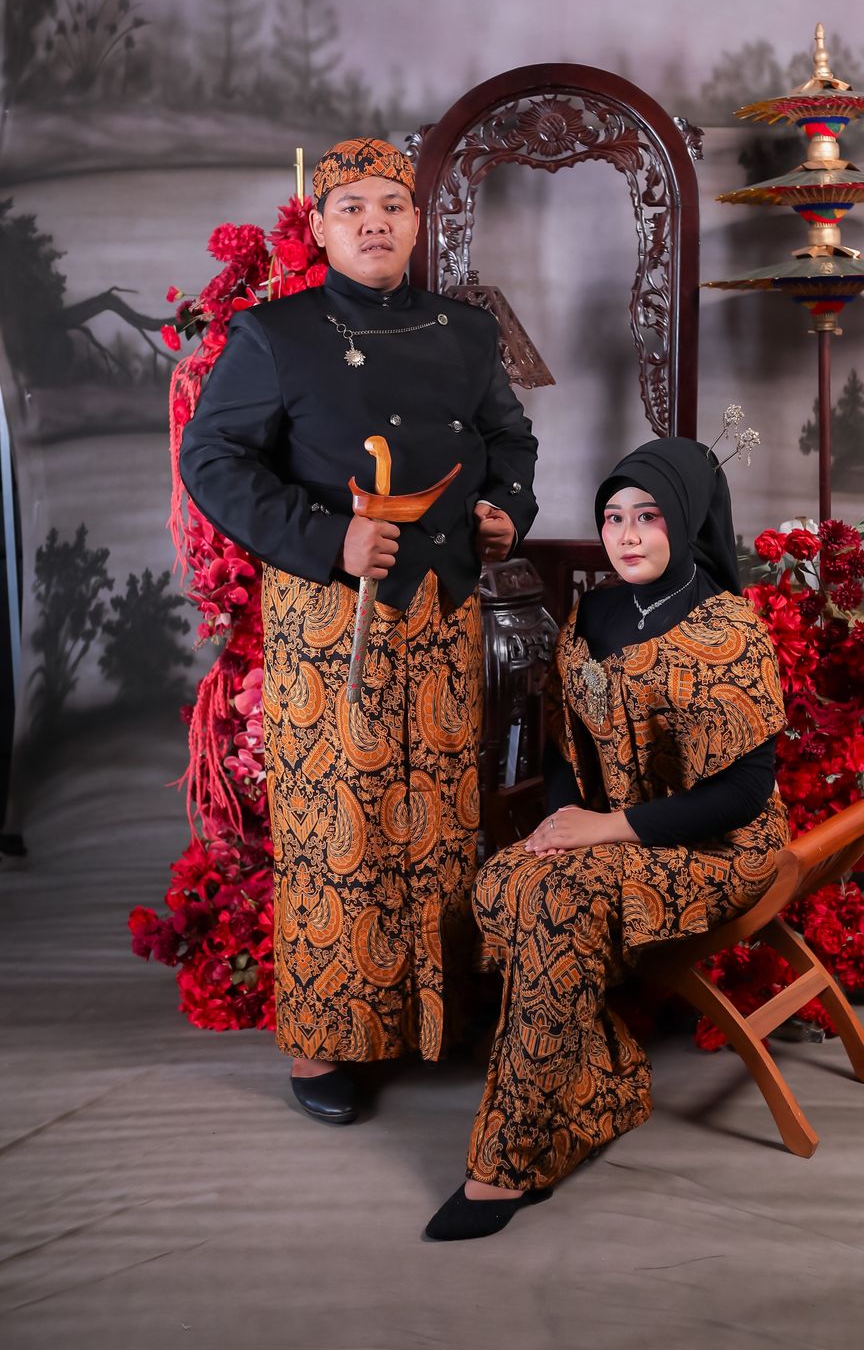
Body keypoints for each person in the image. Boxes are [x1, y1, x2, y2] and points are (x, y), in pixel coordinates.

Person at [180, 138, 538, 1123]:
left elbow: (509, 438)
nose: (375, 221)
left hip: (443, 607)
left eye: (392, 205)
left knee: (442, 813)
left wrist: (506, 506)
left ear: (416, 222)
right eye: (353, 207)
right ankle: (324, 1043)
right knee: (339, 826)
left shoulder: (467, 329)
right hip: (333, 615)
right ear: (321, 224)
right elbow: (212, 459)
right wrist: (324, 538)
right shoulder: (275, 334)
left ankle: (433, 1017)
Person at [425, 437, 786, 1240]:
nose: (626, 536)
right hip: (608, 832)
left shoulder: (730, 631)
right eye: (613, 517)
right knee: (500, 884)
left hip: (715, 846)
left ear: (685, 519)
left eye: (647, 517)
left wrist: (604, 832)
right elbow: (564, 746)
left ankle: (506, 1164)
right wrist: (565, 826)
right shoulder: (595, 613)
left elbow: (743, 794)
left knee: (555, 906)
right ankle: (606, 1088)